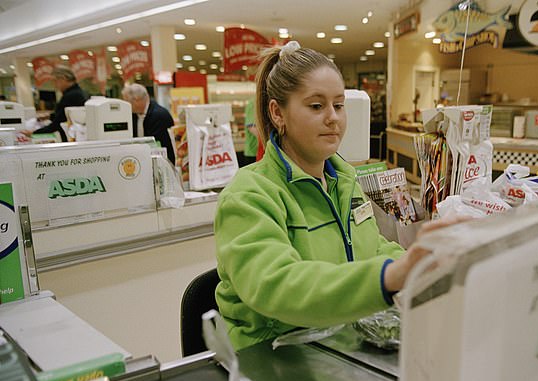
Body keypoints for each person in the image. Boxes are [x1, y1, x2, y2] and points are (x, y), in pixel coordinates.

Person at [214, 41, 458, 351]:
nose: (333, 118)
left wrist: (426, 266)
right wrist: (391, 276)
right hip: (271, 359)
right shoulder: (248, 195)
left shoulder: (344, 180)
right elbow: (276, 285)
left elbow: (371, 245)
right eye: (317, 106)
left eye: (339, 105)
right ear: (278, 113)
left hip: (338, 345)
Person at [23, 66, 88, 142]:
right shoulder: (77, 92)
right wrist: (50, 116)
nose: (54, 84)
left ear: (64, 78)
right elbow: (65, 116)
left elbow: (58, 123)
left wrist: (34, 133)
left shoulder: (72, 95)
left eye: (55, 80)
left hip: (72, 138)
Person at [121, 83, 175, 164]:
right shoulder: (133, 115)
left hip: (161, 162)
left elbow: (158, 145)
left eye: (127, 102)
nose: (126, 106)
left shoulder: (159, 116)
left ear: (137, 100)